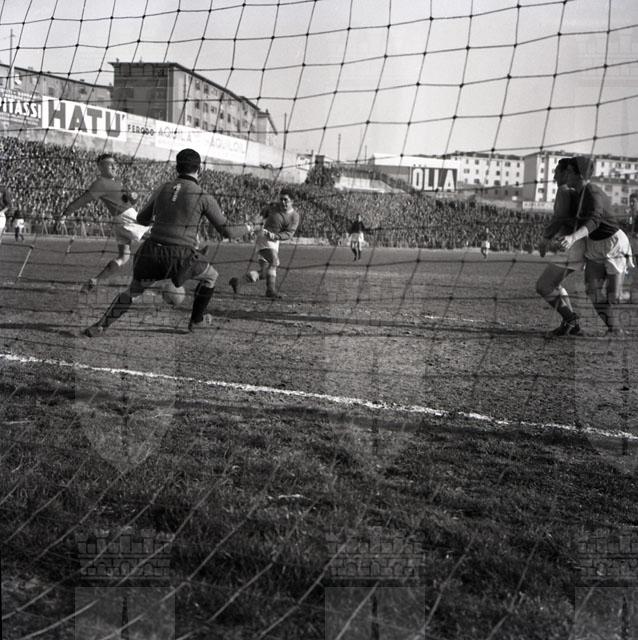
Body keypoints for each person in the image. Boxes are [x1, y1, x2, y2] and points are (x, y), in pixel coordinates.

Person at [82, 148, 252, 337]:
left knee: (132, 292)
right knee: (211, 276)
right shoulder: (203, 196)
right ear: (199, 169)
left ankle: (101, 325)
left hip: (150, 253)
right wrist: (250, 227)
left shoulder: (163, 188)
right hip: (180, 257)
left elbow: (142, 219)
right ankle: (196, 320)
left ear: (177, 168)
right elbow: (228, 231)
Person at [559, 156, 635, 335]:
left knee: (614, 297)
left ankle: (619, 319)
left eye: (569, 171)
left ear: (579, 175)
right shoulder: (576, 194)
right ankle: (614, 329)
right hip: (594, 245)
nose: (565, 175)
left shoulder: (592, 192)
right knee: (592, 291)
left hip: (613, 244)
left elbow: (595, 220)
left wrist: (572, 237)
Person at [59, 153, 147, 291]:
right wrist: (66, 213)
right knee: (160, 235)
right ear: (100, 167)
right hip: (127, 217)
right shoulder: (100, 183)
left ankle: (95, 281)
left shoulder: (117, 182)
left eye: (115, 164)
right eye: (109, 164)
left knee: (123, 257)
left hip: (119, 221)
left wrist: (133, 197)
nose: (114, 166)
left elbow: (129, 201)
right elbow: (83, 199)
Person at [535, 158, 585, 336]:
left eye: (557, 172)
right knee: (554, 284)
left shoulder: (564, 190)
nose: (554, 176)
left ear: (566, 173)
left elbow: (560, 217)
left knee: (543, 286)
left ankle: (571, 319)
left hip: (573, 246)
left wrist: (545, 239)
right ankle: (571, 324)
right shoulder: (571, 191)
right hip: (576, 245)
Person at [229, 189, 299, 299]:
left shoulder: (294, 216)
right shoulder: (273, 207)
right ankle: (271, 291)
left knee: (265, 271)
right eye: (281, 199)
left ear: (292, 201)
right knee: (274, 262)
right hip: (264, 236)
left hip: (275, 241)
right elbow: (260, 216)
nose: (283, 202)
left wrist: (276, 236)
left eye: (286, 200)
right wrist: (252, 225)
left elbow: (289, 233)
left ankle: (239, 282)